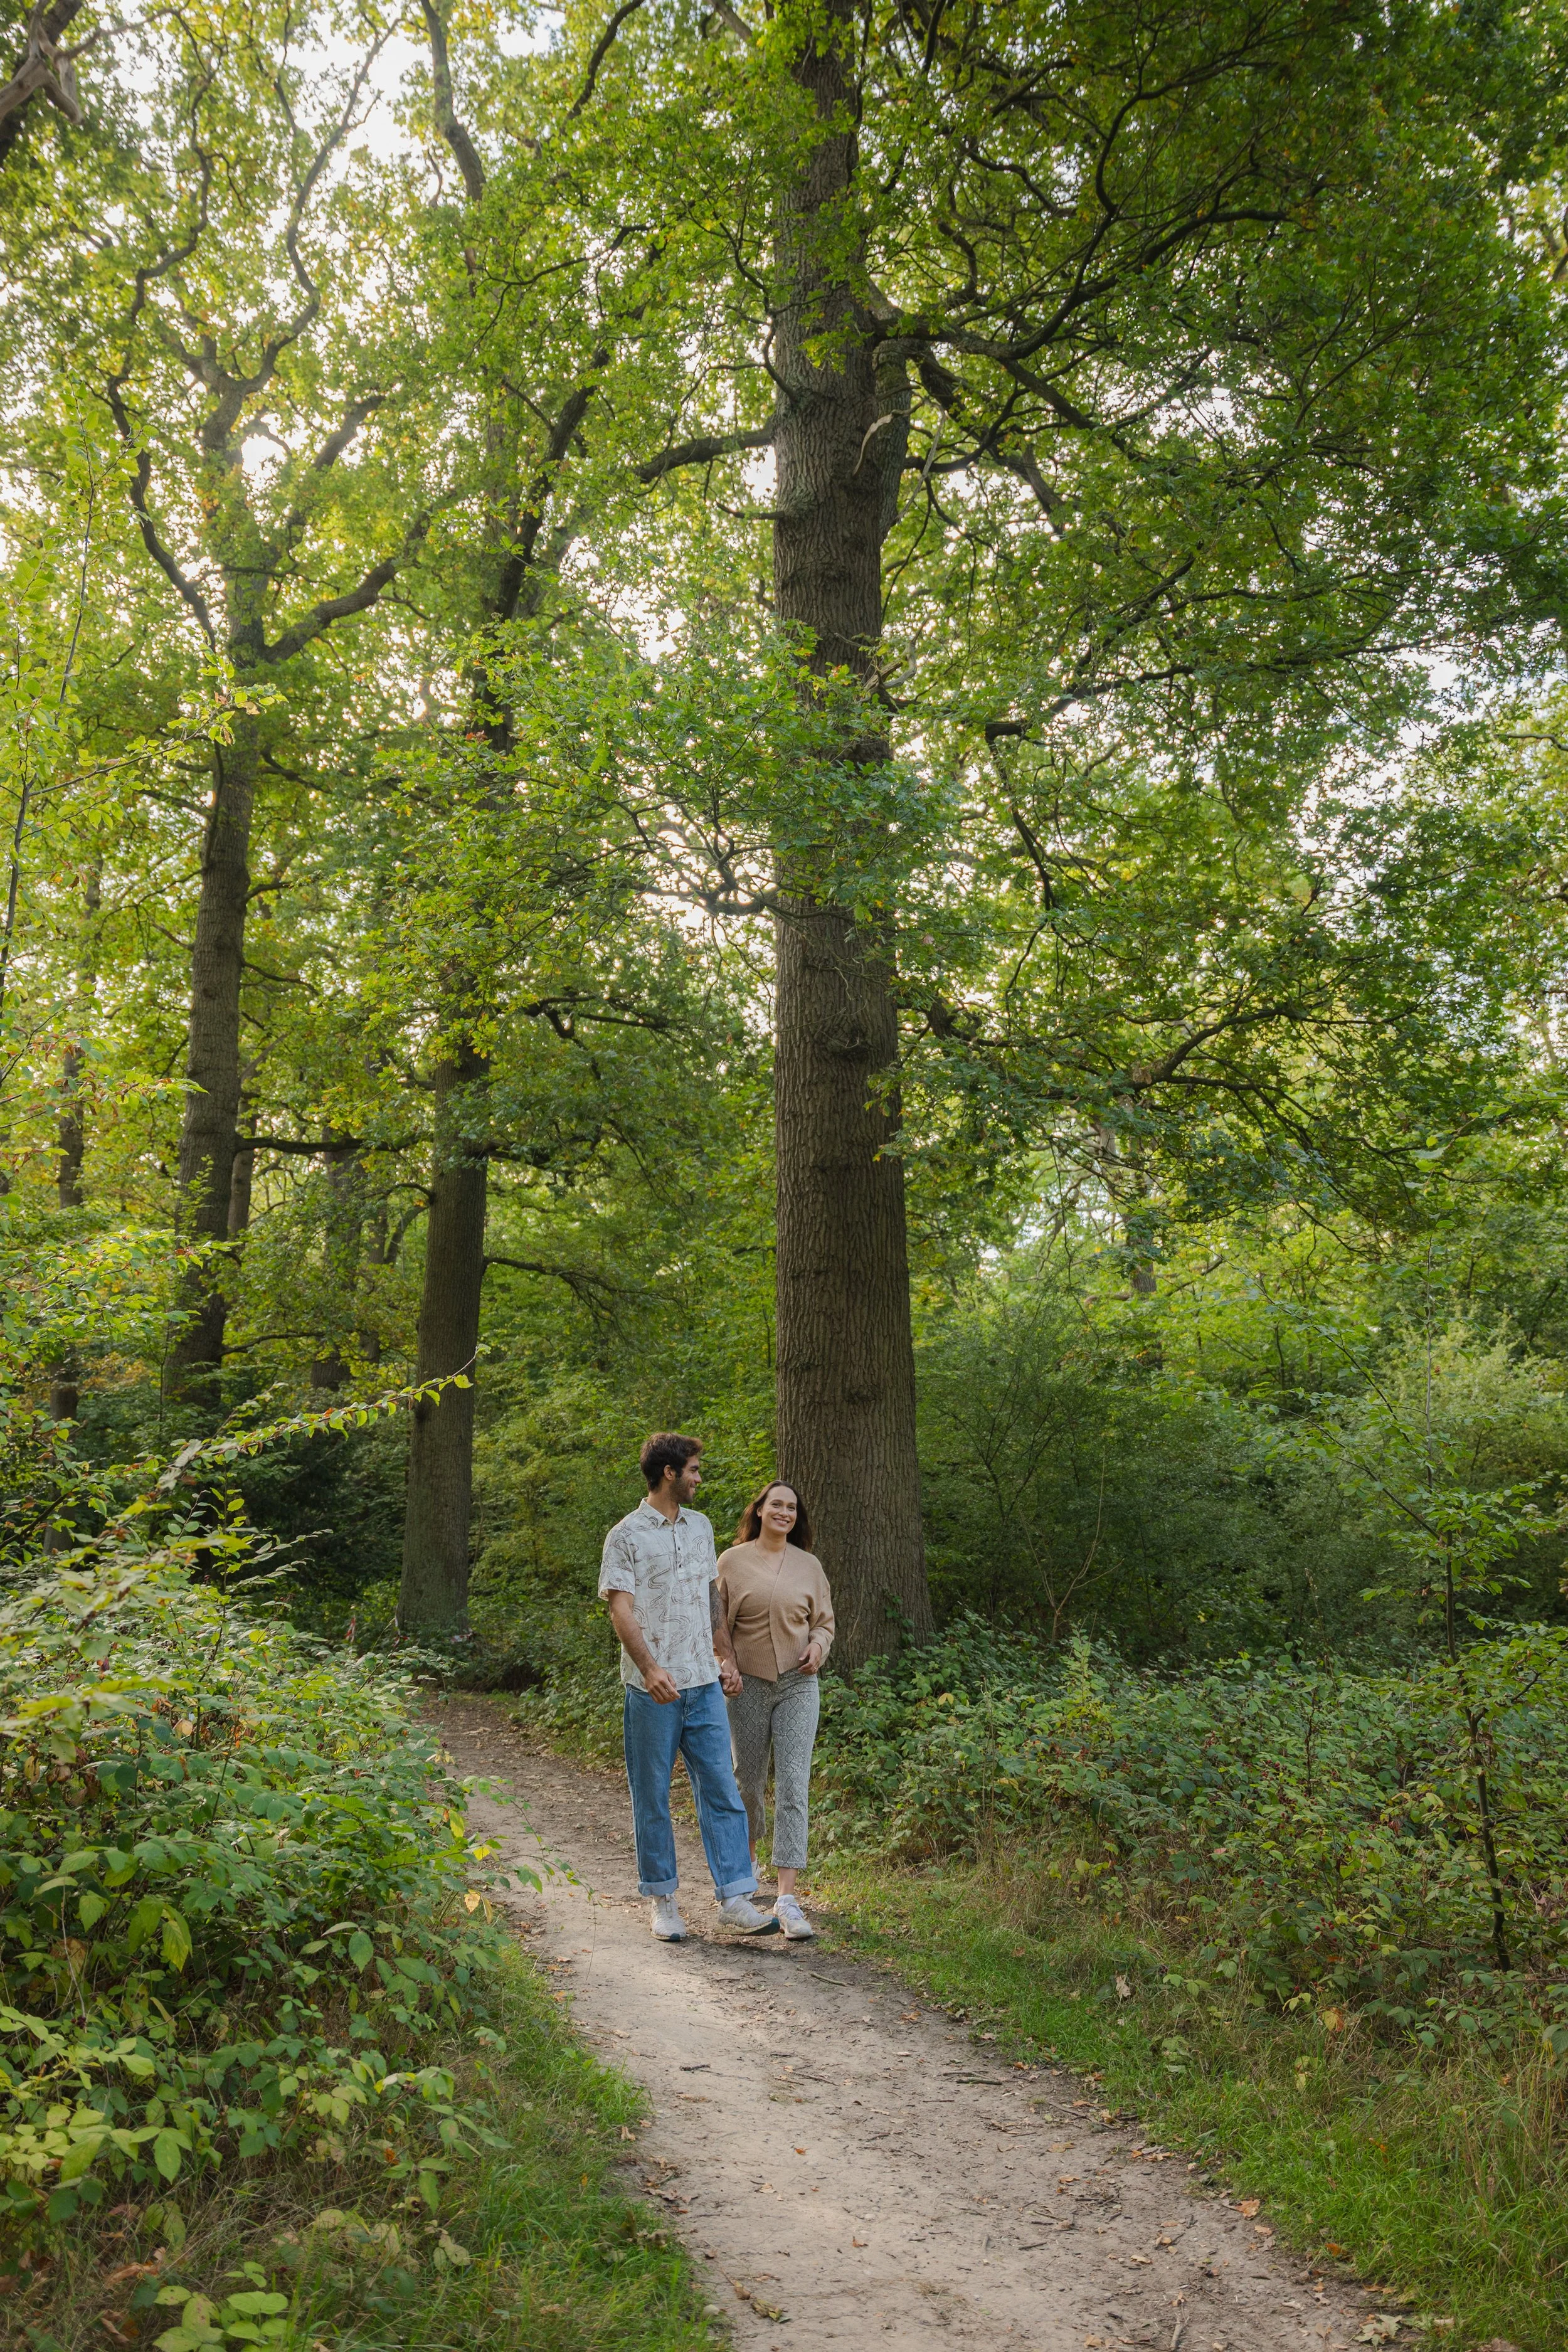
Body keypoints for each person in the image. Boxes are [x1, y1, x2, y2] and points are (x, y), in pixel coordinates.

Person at [598, 1433, 780, 1942]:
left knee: (722, 1789)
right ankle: (663, 1901)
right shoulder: (627, 1535)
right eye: (695, 1470)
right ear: (669, 1473)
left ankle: (736, 1899)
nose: (700, 1478)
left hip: (704, 1685)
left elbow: (709, 1598)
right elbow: (620, 1608)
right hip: (651, 1689)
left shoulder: (701, 1528)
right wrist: (650, 1668)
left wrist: (726, 1656)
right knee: (652, 1794)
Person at [716, 1479, 834, 1941]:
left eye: (792, 1507)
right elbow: (716, 1622)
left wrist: (819, 1647)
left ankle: (787, 1897)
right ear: (760, 1510)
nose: (784, 1512)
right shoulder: (732, 1561)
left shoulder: (810, 1566)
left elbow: (824, 1623)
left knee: (793, 1782)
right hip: (746, 1684)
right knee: (746, 1780)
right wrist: (725, 1664)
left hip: (798, 1684)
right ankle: (744, 1882)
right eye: (776, 1505)